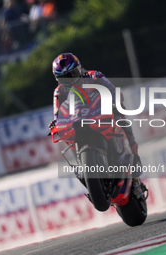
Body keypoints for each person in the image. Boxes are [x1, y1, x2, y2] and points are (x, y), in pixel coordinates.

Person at [48, 52, 147, 200]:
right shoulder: (59, 91)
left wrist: (115, 101)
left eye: (72, 74)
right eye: (64, 78)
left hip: (100, 111)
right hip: (78, 121)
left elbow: (112, 90)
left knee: (121, 117)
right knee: (67, 138)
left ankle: (134, 154)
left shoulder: (94, 76)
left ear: (79, 69)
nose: (69, 80)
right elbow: (57, 112)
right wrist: (55, 122)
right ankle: (84, 170)